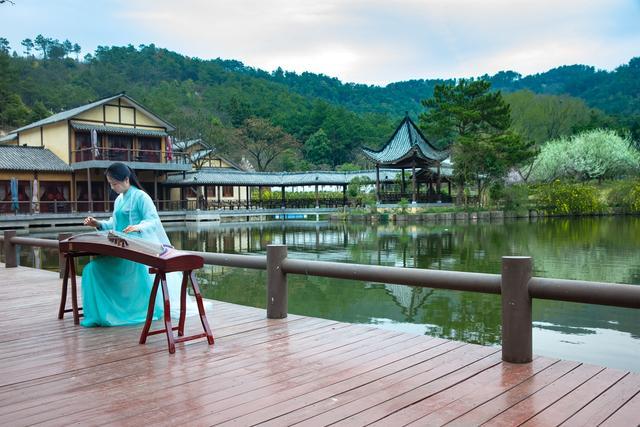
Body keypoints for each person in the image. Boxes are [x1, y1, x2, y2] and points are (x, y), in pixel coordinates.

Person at [81, 162, 172, 327]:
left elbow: (153, 220)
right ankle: (106, 311)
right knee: (91, 270)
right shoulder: (119, 200)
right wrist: (97, 223)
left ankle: (131, 311)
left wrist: (138, 227)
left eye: (115, 183)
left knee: (94, 270)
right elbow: (114, 224)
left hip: (137, 250)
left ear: (126, 179)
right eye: (110, 184)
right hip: (121, 248)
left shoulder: (141, 197)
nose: (113, 187)